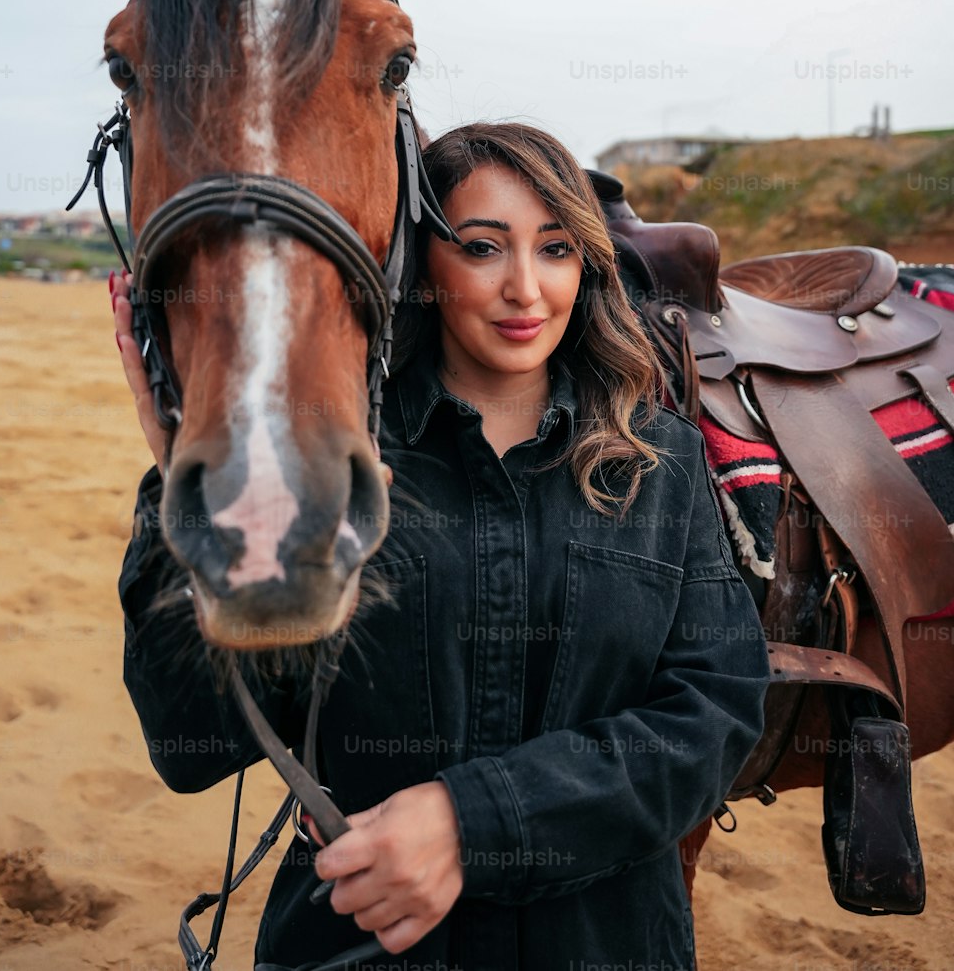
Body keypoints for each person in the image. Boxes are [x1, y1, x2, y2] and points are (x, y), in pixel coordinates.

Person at [113, 120, 771, 971]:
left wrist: (471, 824)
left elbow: (713, 720)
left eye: (557, 248)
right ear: (420, 263)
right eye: (483, 248)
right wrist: (184, 484)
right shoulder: (334, 467)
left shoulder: (661, 462)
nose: (526, 289)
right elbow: (189, 743)